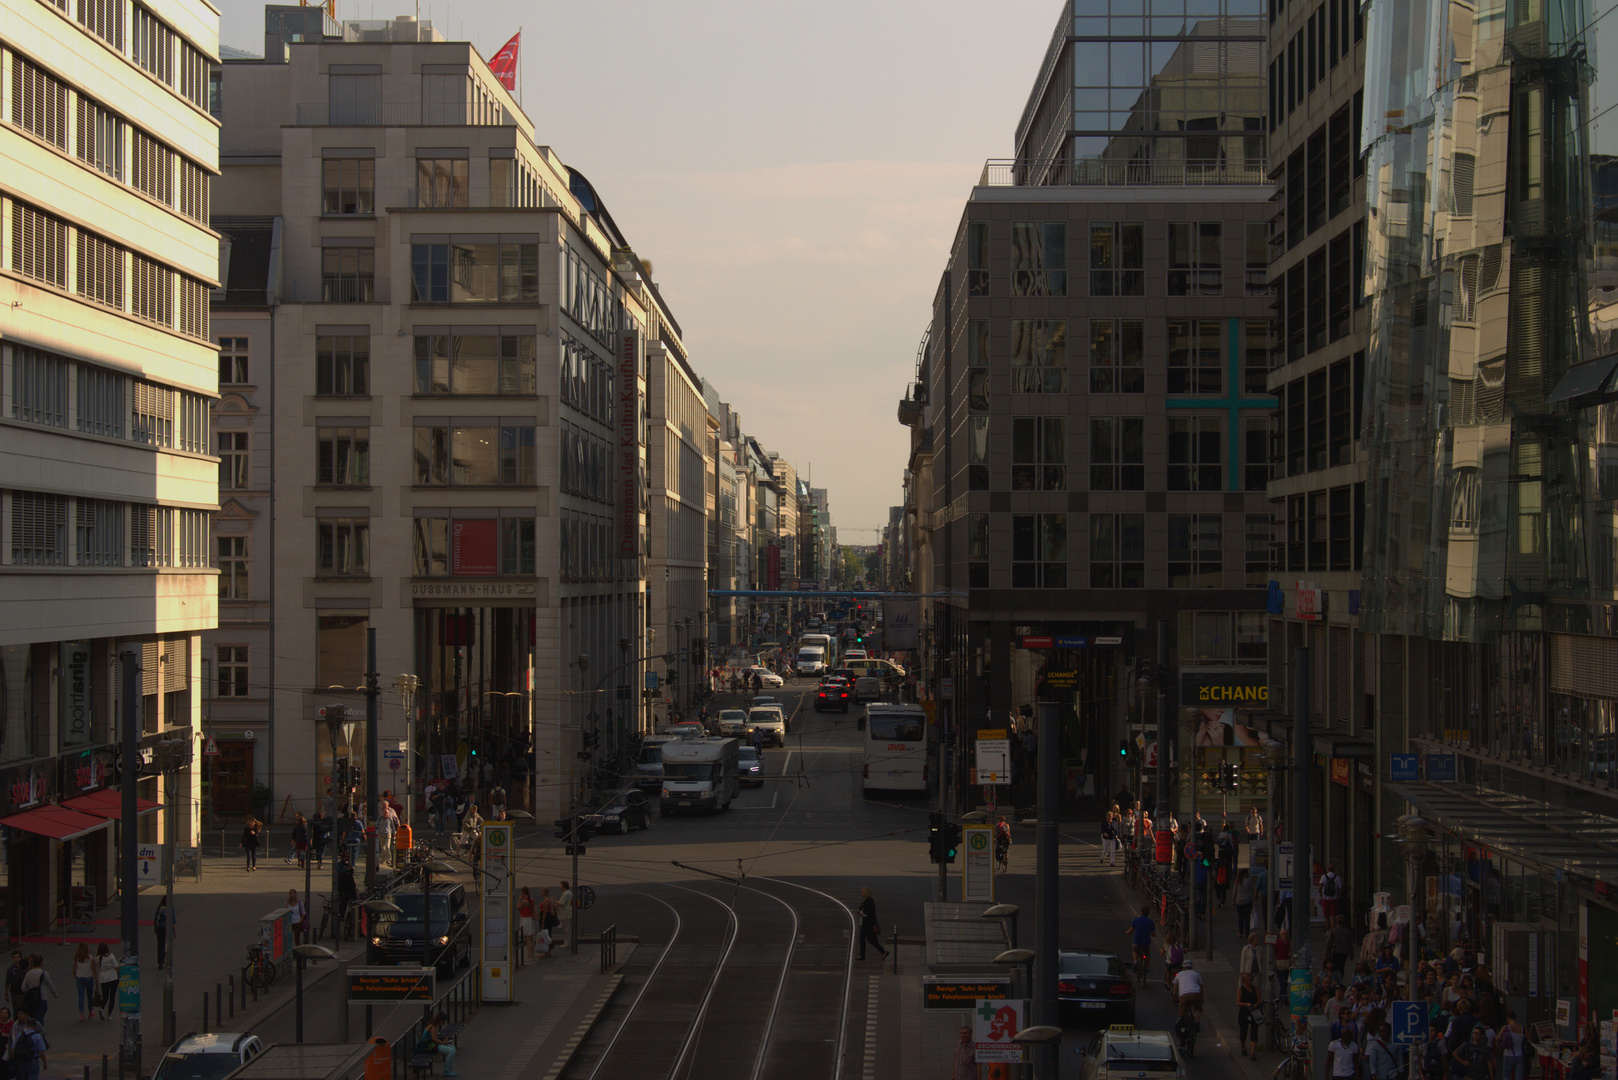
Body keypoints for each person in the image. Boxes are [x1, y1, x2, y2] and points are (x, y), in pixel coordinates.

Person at [9, 1011, 46, 1080]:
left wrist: (14, 1059)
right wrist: (45, 1063)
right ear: (35, 1026)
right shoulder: (37, 1036)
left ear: (26, 1025)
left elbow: (13, 1048)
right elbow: (41, 1052)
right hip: (33, 1061)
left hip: (21, 1061)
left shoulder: (20, 1034)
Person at [419, 1012, 457, 1077]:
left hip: (431, 1045)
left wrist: (443, 1043)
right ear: (440, 1020)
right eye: (443, 1021)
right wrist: (443, 1042)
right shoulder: (433, 1027)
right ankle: (447, 1070)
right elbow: (434, 1039)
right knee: (451, 1051)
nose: (443, 1023)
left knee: (452, 1048)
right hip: (430, 1046)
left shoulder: (430, 1025)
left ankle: (451, 1069)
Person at [17, 956, 55, 1022]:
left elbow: (23, 988)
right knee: (40, 1016)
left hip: (32, 999)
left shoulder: (28, 973)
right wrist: (55, 993)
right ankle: (39, 1030)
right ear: (41, 963)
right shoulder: (44, 973)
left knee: (34, 1016)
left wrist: (29, 992)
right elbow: (50, 985)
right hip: (42, 997)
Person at [857, 887, 888, 961]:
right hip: (866, 923)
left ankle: (883, 952)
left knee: (871, 939)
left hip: (868, 924)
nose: (861, 893)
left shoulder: (869, 900)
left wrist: (861, 913)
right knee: (865, 939)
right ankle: (862, 955)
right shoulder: (868, 900)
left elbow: (867, 912)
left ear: (865, 893)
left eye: (862, 892)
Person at [1495, 1011, 1527, 1080]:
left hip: (1508, 1055)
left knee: (1506, 1076)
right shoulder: (1522, 1028)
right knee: (1519, 1077)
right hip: (1520, 1055)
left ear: (1508, 1018)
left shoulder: (1506, 1027)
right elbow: (1529, 1040)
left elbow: (1497, 1038)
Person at [1237, 970, 1261, 1059]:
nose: (1249, 982)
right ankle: (1243, 1045)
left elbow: (1259, 1000)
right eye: (1247, 980)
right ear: (1243, 981)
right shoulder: (1241, 990)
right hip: (1244, 1013)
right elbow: (1238, 1002)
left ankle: (1252, 1053)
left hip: (1254, 1013)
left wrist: (1256, 1005)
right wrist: (1246, 1004)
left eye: (1250, 980)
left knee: (1254, 1031)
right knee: (1243, 1032)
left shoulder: (1255, 989)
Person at [1126, 905, 1156, 975]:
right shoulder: (1150, 922)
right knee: (1147, 954)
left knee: (1134, 951)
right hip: (1146, 942)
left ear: (1141, 912)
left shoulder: (1136, 920)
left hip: (1137, 941)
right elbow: (1154, 934)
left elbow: (1130, 931)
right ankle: (1147, 967)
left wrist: (1127, 932)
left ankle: (1136, 961)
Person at [93, 944, 117, 1020]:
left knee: (105, 996)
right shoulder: (111, 956)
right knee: (112, 997)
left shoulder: (97, 958)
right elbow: (116, 967)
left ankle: (102, 1008)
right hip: (113, 978)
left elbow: (97, 966)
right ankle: (109, 1014)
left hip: (103, 978)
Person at [70, 945, 93, 1023]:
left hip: (79, 978)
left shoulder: (77, 958)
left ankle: (82, 1015)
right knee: (89, 996)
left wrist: (76, 977)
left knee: (81, 997)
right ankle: (90, 1012)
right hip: (89, 978)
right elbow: (93, 969)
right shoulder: (90, 958)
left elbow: (74, 970)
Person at [517, 888, 538, 962]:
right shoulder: (531, 899)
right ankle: (533, 955)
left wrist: (519, 900)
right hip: (530, 919)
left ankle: (530, 955)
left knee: (527, 938)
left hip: (525, 920)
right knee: (531, 938)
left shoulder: (524, 901)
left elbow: (518, 908)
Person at [1233, 868, 1254, 937]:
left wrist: (1233, 900)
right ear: (1245, 874)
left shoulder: (1237, 881)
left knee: (1240, 917)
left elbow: (1234, 892)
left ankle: (1240, 932)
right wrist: (1254, 900)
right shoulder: (1249, 881)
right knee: (1247, 918)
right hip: (1248, 901)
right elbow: (1251, 892)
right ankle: (1247, 933)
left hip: (1239, 901)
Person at [154, 897, 173, 969]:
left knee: (160, 945)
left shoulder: (160, 908)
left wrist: (155, 928)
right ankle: (166, 959)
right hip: (167, 928)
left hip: (159, 929)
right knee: (167, 944)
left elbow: (156, 918)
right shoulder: (170, 908)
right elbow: (172, 919)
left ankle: (160, 961)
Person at [558, 880, 575, 948]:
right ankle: (567, 942)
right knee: (566, 929)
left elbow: (562, 903)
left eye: (561, 886)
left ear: (564, 887)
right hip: (566, 913)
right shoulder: (567, 893)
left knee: (567, 929)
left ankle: (567, 943)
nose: (560, 887)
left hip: (566, 914)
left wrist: (555, 902)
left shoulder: (566, 894)